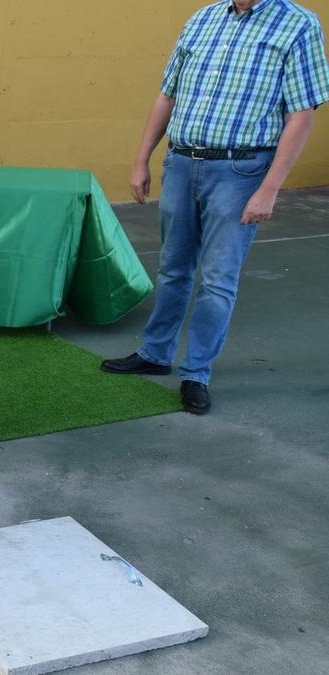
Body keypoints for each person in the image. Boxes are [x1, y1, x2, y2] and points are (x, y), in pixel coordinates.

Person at [101, 0, 329, 415]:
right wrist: (141, 159)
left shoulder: (298, 24)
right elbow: (167, 95)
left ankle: (196, 373)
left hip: (241, 171)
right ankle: (155, 353)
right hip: (183, 162)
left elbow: (301, 116)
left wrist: (270, 188)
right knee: (173, 267)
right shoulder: (202, 18)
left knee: (218, 279)